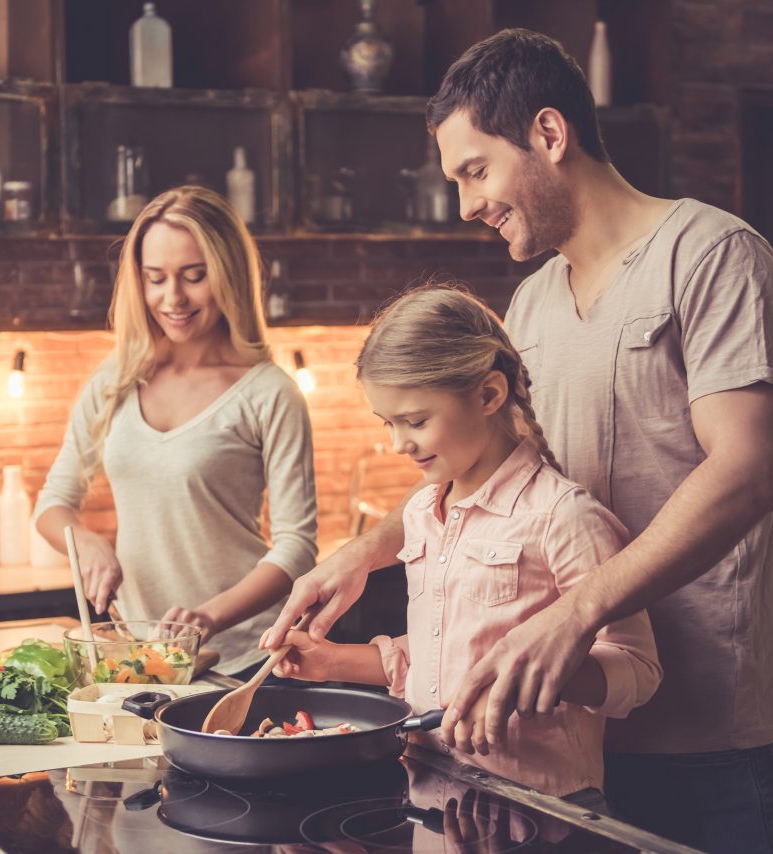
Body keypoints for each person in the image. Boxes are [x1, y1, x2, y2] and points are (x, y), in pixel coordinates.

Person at [262, 29, 773, 854]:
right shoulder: (530, 306)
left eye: (475, 171)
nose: (465, 203)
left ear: (550, 135)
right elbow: (492, 483)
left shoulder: (712, 257)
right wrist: (362, 555)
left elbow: (745, 472)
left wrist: (577, 612)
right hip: (574, 752)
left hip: (715, 737)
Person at [271, 285, 661, 801]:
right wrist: (330, 662)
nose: (398, 444)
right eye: (387, 423)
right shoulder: (420, 514)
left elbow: (639, 671)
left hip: (545, 809)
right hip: (434, 791)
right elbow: (436, 657)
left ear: (488, 396)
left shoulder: (563, 517)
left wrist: (538, 672)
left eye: (416, 421)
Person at [36, 185, 318, 676]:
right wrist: (84, 541)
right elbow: (52, 503)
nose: (173, 298)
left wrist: (209, 616)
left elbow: (297, 547)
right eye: (155, 279)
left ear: (227, 275)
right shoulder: (114, 381)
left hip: (246, 659)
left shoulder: (269, 392)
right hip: (142, 656)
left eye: (194, 276)